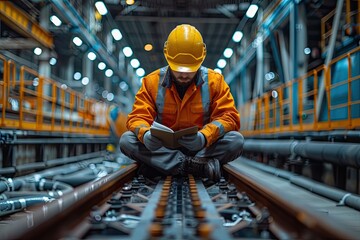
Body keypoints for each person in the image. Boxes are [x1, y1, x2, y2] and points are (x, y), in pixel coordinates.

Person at [119, 24, 244, 181]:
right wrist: (146, 135)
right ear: (168, 57)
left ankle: (163, 166)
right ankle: (195, 166)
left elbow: (229, 117)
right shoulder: (151, 82)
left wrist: (204, 137)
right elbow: (137, 117)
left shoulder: (215, 82)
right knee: (126, 140)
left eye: (190, 69)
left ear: (201, 60)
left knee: (236, 141)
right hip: (164, 149)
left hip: (201, 148)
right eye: (178, 69)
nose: (184, 74)